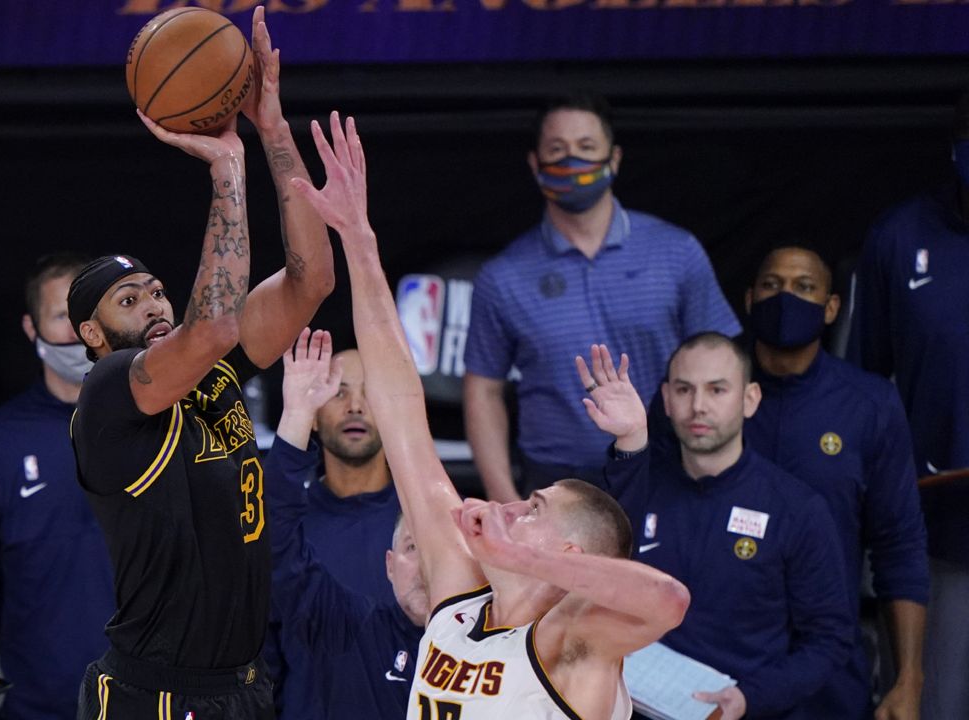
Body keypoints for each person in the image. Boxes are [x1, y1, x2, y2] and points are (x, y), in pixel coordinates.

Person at [290, 111, 689, 719]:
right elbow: (399, 407)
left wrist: (527, 561)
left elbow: (668, 602)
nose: (509, 503)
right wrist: (358, 239)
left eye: (533, 511)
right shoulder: (458, 601)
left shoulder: (570, 642)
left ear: (569, 555)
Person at [67, 9, 334, 719]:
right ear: (92, 334)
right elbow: (212, 324)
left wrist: (271, 130)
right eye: (130, 300)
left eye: (157, 289)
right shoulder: (107, 395)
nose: (155, 303)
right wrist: (226, 167)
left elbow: (312, 281)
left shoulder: (211, 377)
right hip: (153, 694)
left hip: (242, 685)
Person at [463, 91, 739, 502]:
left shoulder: (676, 252)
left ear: (614, 159)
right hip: (553, 486)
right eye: (558, 149)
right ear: (535, 164)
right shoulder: (503, 276)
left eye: (586, 148)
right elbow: (483, 390)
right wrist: (504, 498)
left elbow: (724, 363)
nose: (572, 160)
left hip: (666, 472)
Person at [582, 336, 855, 718]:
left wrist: (751, 697)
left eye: (717, 390)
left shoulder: (797, 509)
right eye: (684, 389)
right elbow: (595, 560)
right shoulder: (636, 480)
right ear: (665, 398)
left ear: (750, 399)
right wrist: (629, 440)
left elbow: (829, 639)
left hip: (740, 708)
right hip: (629, 706)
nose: (698, 406)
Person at [743, 246, 927, 719]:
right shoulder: (706, 392)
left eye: (804, 287)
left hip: (828, 668)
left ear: (831, 308)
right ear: (748, 299)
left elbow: (898, 547)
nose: (786, 298)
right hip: (723, 660)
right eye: (772, 285)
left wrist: (908, 678)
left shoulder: (868, 405)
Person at [0, 252, 116, 720]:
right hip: (37, 705)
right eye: (62, 314)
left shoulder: (162, 424)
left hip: (150, 700)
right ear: (30, 327)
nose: (79, 330)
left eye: (91, 313)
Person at [847, 88, 969, 720]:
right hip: (937, 534)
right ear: (956, 148)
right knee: (932, 706)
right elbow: (866, 388)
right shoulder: (900, 236)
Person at [264, 327, 426, 720]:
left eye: (371, 393)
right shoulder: (285, 525)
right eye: (338, 391)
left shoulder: (429, 523)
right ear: (314, 417)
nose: (356, 406)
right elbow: (262, 652)